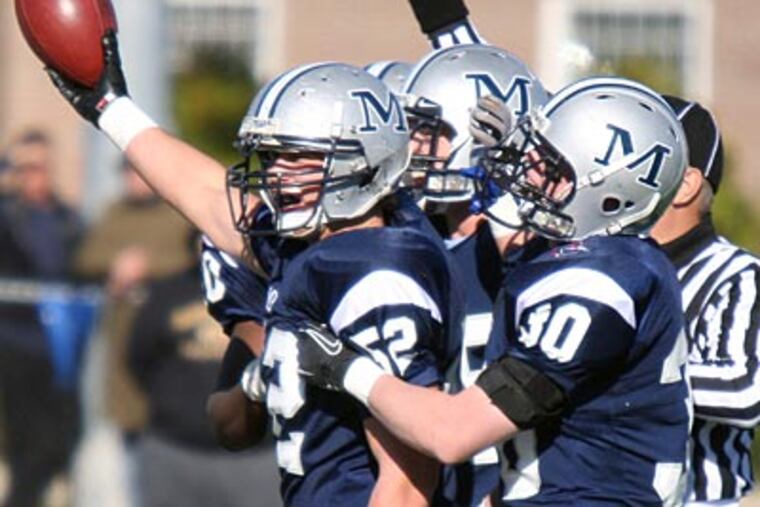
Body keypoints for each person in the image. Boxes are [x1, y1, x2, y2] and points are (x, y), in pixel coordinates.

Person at [44, 34, 462, 506]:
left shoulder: (378, 276)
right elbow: (207, 196)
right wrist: (110, 108)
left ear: (364, 162)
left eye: (297, 157)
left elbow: (407, 482)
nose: (278, 174)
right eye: (272, 156)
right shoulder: (314, 242)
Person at [296, 76, 694, 505]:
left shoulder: (600, 284)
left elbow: (451, 434)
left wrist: (348, 368)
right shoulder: (591, 259)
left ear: (609, 194)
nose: (531, 170)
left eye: (551, 165)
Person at [650, 97, 760, 506]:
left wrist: (622, 371)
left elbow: (743, 390)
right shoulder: (600, 259)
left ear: (686, 185)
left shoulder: (736, 274)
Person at [126, 233, 277, 507]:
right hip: (175, 448)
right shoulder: (166, 293)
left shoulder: (270, 290)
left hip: (256, 457)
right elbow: (138, 358)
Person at [0, 129, 85, 507]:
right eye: (27, 168)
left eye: (41, 167)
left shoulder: (69, 220)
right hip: (15, 342)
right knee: (24, 442)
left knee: (58, 439)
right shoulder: (7, 217)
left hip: (61, 347)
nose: (36, 176)